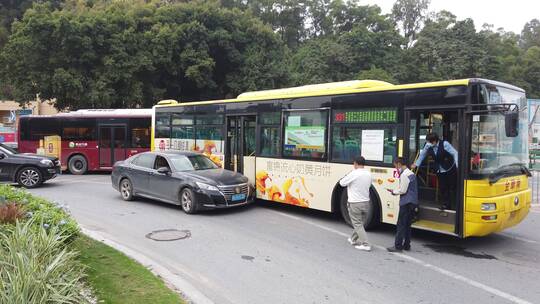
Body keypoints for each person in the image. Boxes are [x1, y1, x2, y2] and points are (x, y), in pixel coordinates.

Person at [411, 132, 458, 210]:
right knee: (443, 187)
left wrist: (457, 166)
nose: (427, 143)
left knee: (452, 186)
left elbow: (455, 153)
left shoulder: (445, 144)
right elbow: (422, 155)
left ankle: (455, 204)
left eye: (429, 142)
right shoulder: (428, 145)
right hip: (439, 170)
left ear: (434, 141)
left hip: (450, 168)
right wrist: (416, 164)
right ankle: (446, 204)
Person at [339, 156, 373, 251]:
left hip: (355, 203)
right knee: (360, 223)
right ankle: (353, 239)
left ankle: (366, 244)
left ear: (356, 163)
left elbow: (342, 183)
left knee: (357, 224)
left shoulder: (354, 173)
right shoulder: (368, 174)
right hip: (366, 202)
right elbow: (370, 185)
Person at [387, 158, 418, 252]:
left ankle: (398, 246)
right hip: (413, 202)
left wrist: (393, 192)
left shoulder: (404, 175)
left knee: (400, 224)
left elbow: (403, 190)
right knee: (408, 225)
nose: (396, 168)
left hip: (406, 203)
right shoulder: (411, 173)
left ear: (399, 164)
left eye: (396, 166)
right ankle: (407, 245)